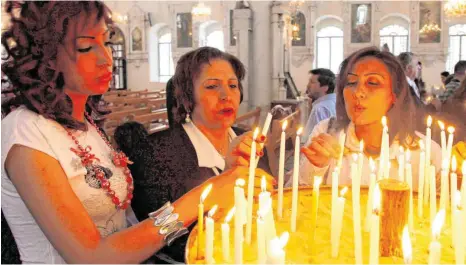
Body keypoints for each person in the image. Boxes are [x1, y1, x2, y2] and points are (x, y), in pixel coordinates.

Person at [1, 2, 268, 264]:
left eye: (106, 42)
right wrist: (205, 193)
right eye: (85, 47)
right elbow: (90, 257)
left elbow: (132, 227)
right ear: (45, 57)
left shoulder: (88, 126)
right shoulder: (26, 132)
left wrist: (228, 174)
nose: (106, 59)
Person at [114, 46, 274, 263]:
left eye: (233, 85)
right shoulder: (153, 152)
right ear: (188, 96)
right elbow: (165, 238)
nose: (227, 96)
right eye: (212, 86)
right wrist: (222, 182)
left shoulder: (248, 141)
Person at [297, 47, 442, 190]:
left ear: (395, 95)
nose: (358, 92)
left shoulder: (426, 153)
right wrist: (316, 167)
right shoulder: (326, 132)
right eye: (351, 82)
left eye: (373, 83)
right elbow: (292, 200)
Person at [302, 68, 337, 143]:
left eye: (312, 82)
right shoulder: (336, 102)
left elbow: (319, 141)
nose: (308, 85)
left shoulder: (320, 108)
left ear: (325, 88)